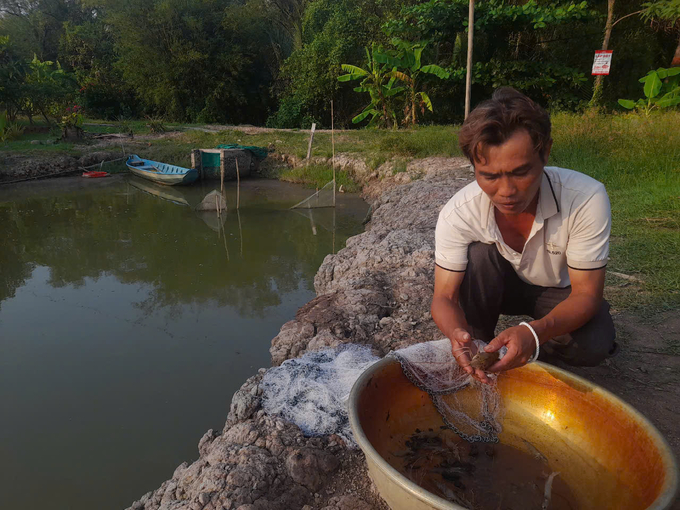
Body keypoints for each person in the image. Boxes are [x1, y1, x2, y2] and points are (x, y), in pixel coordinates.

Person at [431, 87, 617, 384]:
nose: (506, 191)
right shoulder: (459, 212)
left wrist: (533, 333)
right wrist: (456, 332)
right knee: (479, 255)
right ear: (474, 167)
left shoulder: (584, 197)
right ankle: (480, 344)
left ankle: (524, 352)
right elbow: (444, 296)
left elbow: (587, 294)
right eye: (489, 176)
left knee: (594, 344)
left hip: (557, 293)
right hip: (498, 287)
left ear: (545, 153)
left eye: (521, 172)